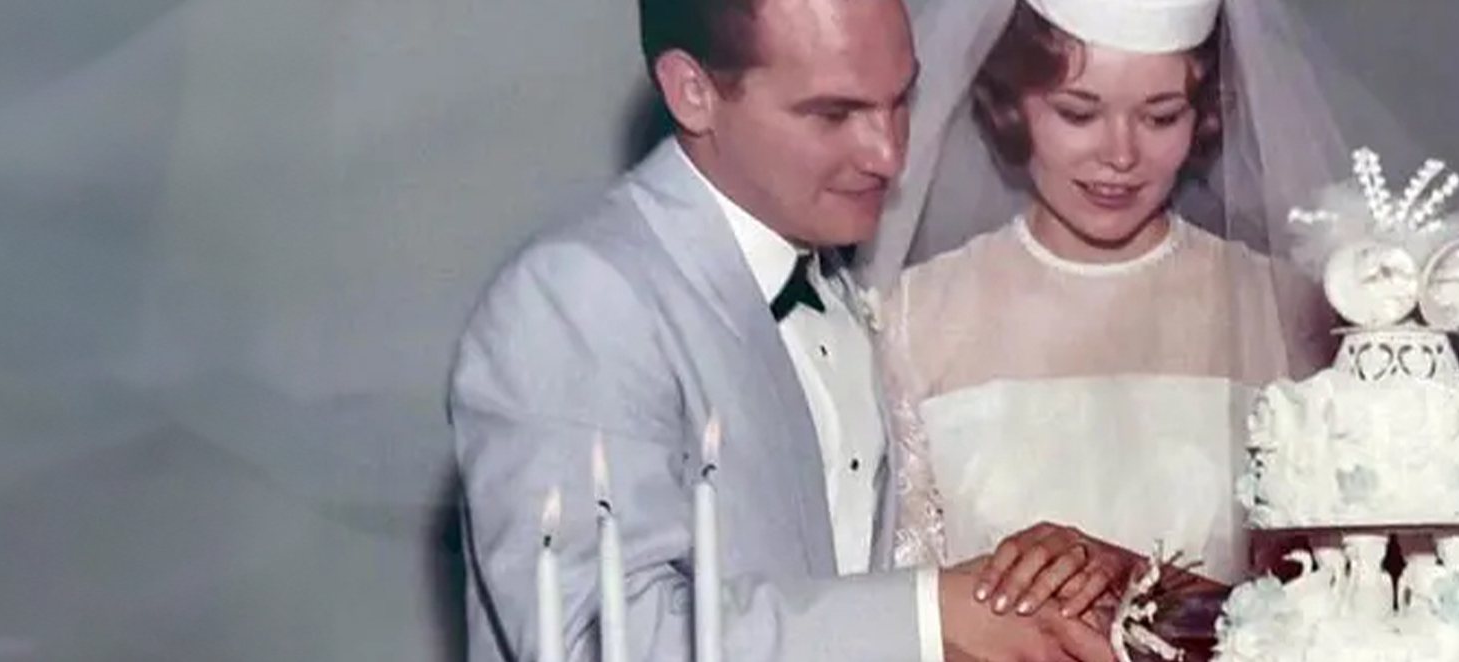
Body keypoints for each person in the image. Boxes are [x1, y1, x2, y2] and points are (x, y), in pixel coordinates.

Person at [449, 0, 1117, 660]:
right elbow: (598, 640)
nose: (888, 154)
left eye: (900, 101)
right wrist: (930, 613)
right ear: (693, 92)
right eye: (834, 113)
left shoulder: (832, 273)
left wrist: (1004, 591)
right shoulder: (579, 299)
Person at [863, 0, 1425, 622]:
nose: (1121, 155)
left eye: (1161, 117)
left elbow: (1347, 610)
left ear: (1203, 115)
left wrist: (1139, 583)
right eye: (1078, 113)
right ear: (1013, 104)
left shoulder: (1283, 313)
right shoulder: (914, 316)